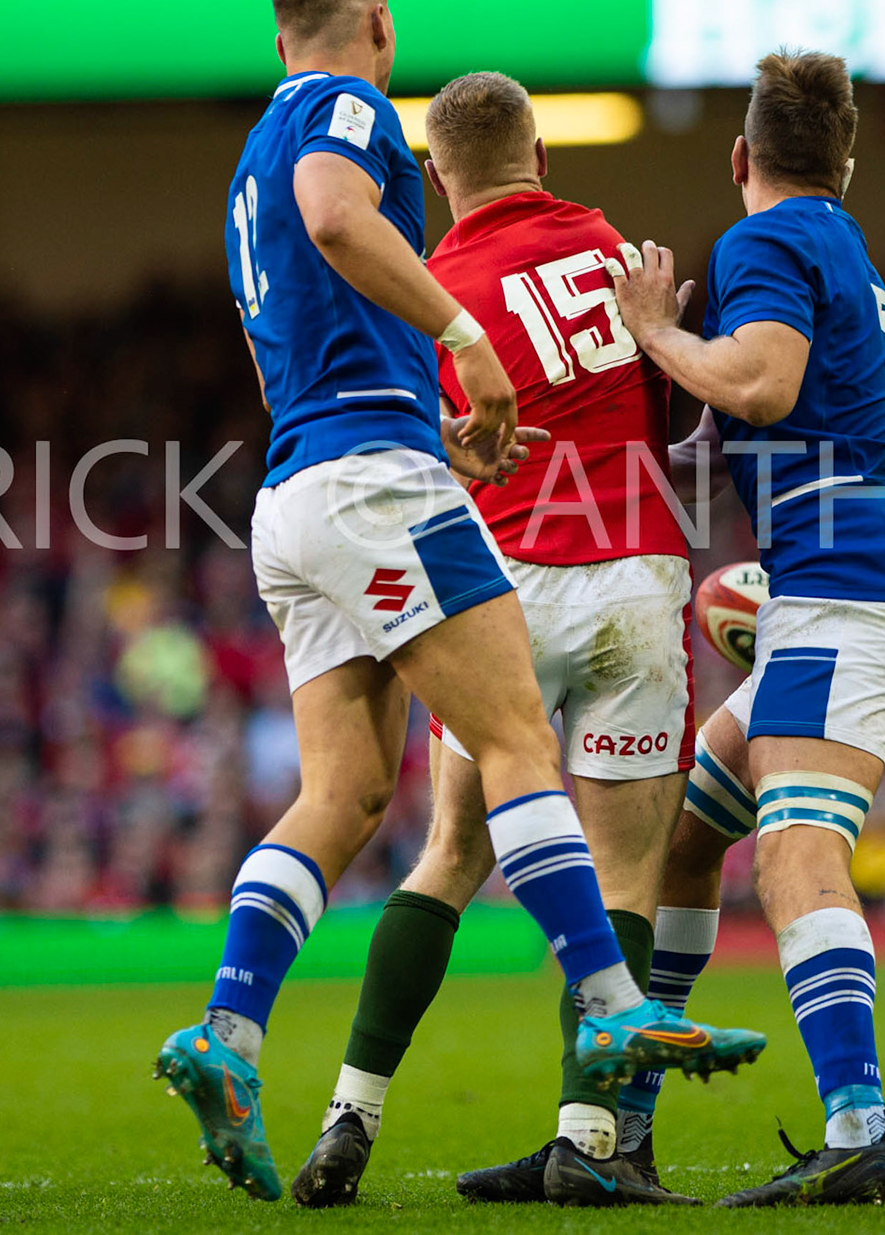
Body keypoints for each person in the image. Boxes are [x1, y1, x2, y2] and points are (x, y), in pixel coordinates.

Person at [152, 0, 762, 1203]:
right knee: (519, 738)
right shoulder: (348, 108)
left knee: (349, 795)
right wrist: (467, 338)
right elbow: (339, 212)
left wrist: (451, 420)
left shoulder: (238, 171)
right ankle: (607, 1010)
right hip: (416, 493)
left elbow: (319, 316)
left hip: (297, 495)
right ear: (376, 23)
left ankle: (230, 1030)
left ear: (276, 39)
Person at [289, 70, 732, 1209]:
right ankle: (591, 1138)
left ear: (435, 174)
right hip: (636, 577)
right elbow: (674, 411)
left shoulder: (430, 288)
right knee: (625, 870)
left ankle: (352, 1114)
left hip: (506, 591)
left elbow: (420, 443)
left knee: (452, 852)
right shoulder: (619, 255)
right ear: (540, 146)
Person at [609, 48, 885, 1207]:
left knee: (797, 855)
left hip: (845, 596)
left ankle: (860, 1128)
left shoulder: (761, 241)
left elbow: (760, 383)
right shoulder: (845, 245)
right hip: (873, 587)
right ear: (846, 164)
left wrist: (654, 330)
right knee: (684, 839)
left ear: (739, 157)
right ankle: (629, 1125)